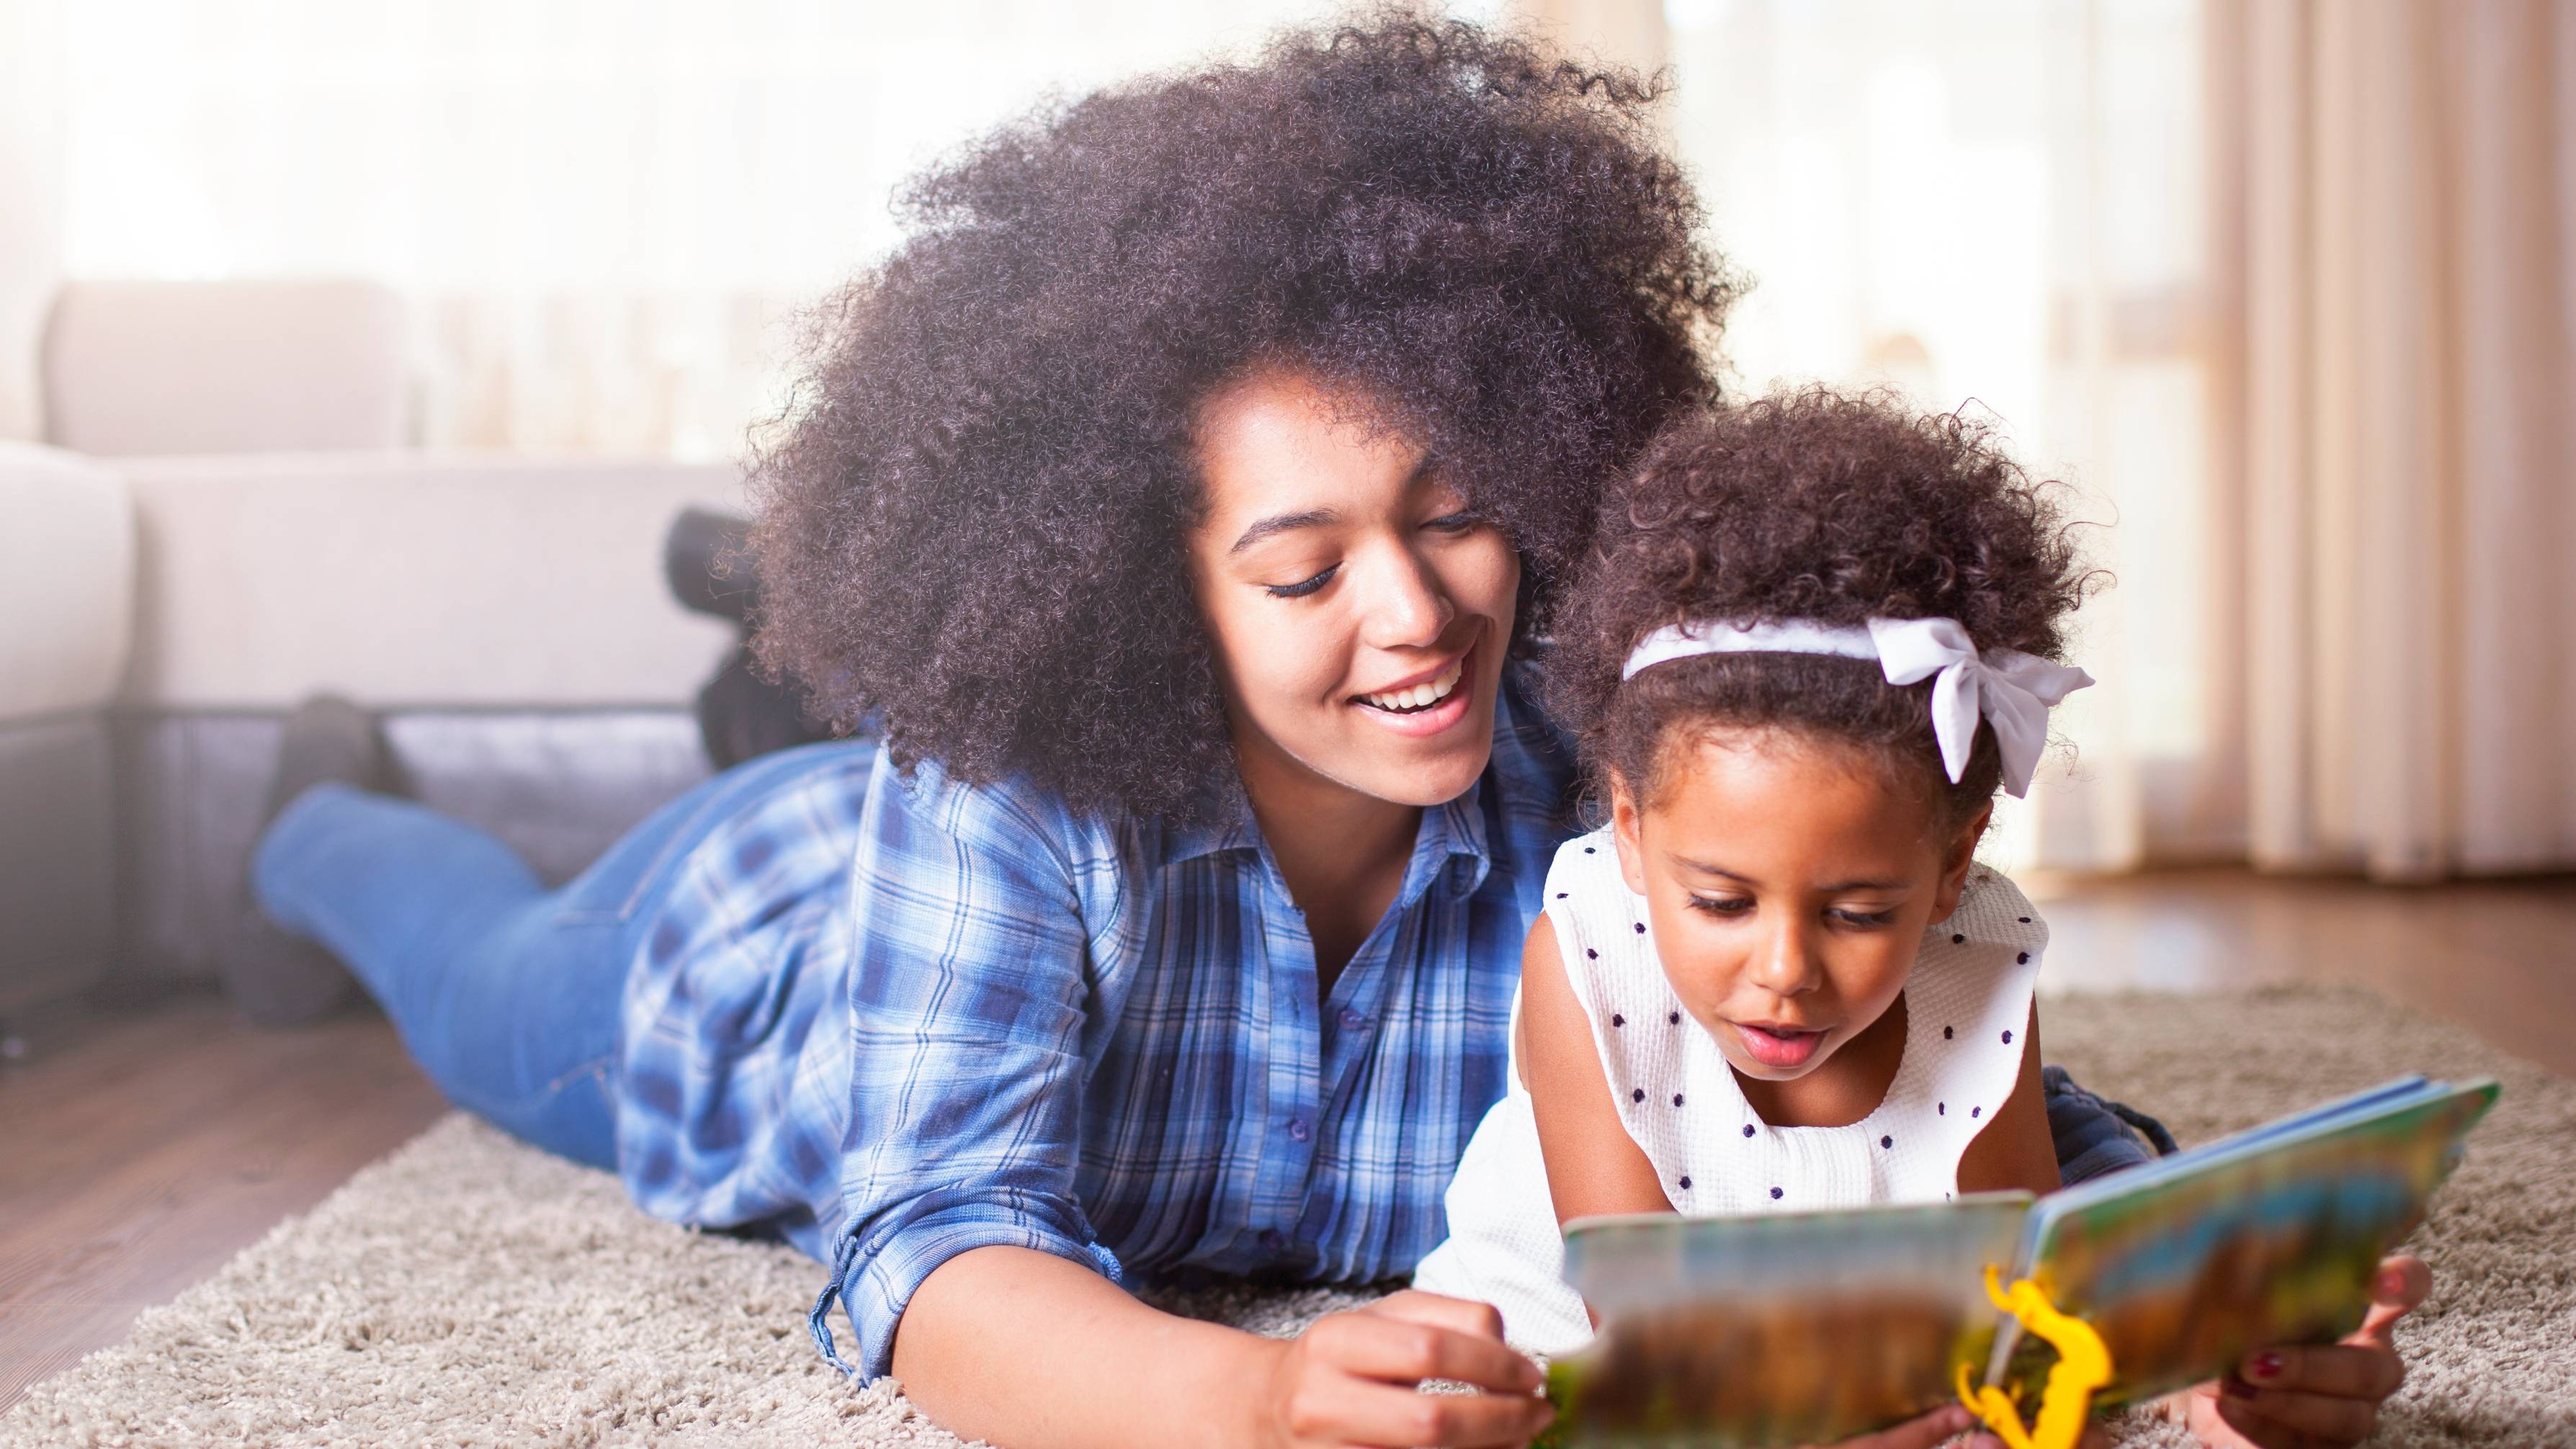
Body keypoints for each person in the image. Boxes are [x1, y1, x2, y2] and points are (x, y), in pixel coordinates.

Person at [246, 21, 2173, 1449]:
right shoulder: (1008, 787)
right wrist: (1255, 1397)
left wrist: (2207, 1303)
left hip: (920, 824)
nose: (1413, 612)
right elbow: (929, 1239)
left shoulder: (1621, 796)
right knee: (456, 942)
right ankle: (317, 798)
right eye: (1299, 563)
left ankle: (730, 651)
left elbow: (1964, 1089)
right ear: (1149, 576)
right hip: (753, 943)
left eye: (1449, 513)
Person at [1410, 391, 2428, 1449]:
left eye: (1855, 912)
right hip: (1592, 1349)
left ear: (1952, 865)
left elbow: (2024, 1296)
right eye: (1720, 901)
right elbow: (1651, 1339)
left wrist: (2139, 1391)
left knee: (2128, 1243)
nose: (1785, 969)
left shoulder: (1975, 966)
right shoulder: (1583, 958)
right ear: (1628, 827)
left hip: (1882, 1332)